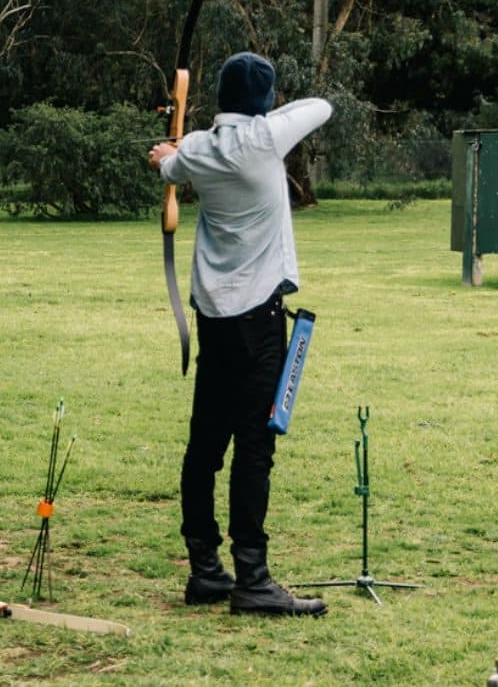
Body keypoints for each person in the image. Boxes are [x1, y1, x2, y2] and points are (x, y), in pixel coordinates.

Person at [149, 52, 332, 617]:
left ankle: (205, 569)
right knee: (256, 445)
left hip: (214, 320)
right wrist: (265, 115)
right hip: (258, 319)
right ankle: (252, 578)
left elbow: (165, 165)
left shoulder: (199, 150)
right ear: (266, 102)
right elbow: (321, 106)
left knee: (206, 442)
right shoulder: (264, 139)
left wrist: (171, 150)